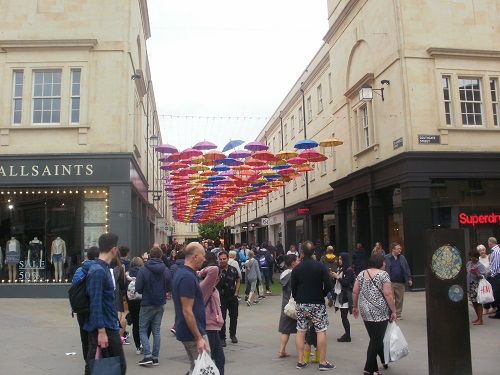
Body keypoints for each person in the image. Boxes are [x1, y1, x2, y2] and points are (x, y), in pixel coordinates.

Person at [84, 233, 126, 375]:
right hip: (105, 327)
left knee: (111, 368)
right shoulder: (98, 270)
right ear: (114, 249)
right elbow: (95, 302)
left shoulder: (103, 269)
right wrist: (101, 332)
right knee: (117, 367)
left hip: (109, 325)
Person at [291, 240, 335, 370]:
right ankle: (322, 362)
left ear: (302, 252)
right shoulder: (320, 266)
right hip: (317, 302)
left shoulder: (297, 268)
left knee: (300, 330)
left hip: (302, 302)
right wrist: (322, 293)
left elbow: (293, 288)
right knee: (321, 330)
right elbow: (328, 285)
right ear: (314, 252)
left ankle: (301, 361)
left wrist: (298, 297)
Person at [352, 254, 397, 375]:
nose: (385, 264)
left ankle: (376, 368)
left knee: (374, 338)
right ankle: (368, 368)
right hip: (379, 310)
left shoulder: (361, 273)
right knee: (376, 339)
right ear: (379, 263)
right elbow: (388, 294)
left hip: (365, 310)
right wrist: (393, 310)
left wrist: (355, 306)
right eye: (384, 262)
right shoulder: (383, 275)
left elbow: (355, 291)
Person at [172, 242, 209, 374]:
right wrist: (199, 338)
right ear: (195, 256)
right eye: (203, 256)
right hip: (192, 333)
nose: (204, 259)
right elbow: (187, 311)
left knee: (197, 369)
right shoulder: (186, 276)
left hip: (190, 331)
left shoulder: (184, 273)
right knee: (204, 369)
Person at [135, 246, 172, 366]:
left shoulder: (143, 269)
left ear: (149, 256)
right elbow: (169, 286)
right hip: (160, 302)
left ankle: (147, 355)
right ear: (161, 256)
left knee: (143, 329)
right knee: (156, 330)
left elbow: (138, 288)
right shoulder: (165, 269)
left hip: (147, 302)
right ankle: (155, 357)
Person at [72, 245, 100, 372]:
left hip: (80, 308)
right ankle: (89, 367)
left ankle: (87, 362)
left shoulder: (79, 270)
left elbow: (74, 288)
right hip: (91, 307)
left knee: (84, 338)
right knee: (93, 339)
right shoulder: (98, 269)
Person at [199, 252, 225, 375]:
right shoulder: (204, 287)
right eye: (218, 277)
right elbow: (214, 269)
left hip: (213, 326)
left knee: (219, 360)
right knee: (207, 361)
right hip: (207, 327)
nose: (218, 278)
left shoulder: (211, 287)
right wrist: (200, 272)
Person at [217, 251, 241, 347]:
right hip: (221, 297)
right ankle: (222, 337)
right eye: (221, 259)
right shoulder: (217, 270)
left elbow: (238, 280)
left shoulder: (233, 269)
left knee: (234, 316)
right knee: (222, 318)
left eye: (224, 259)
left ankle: (233, 335)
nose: (222, 261)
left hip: (232, 296)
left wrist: (236, 293)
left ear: (227, 259)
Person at [385, 243, 412, 320]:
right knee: (390, 298)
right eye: (398, 249)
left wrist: (409, 278)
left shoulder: (402, 258)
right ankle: (390, 313)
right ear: (393, 249)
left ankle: (398, 313)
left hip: (400, 282)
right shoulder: (386, 258)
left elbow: (407, 268)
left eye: (400, 248)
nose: (400, 250)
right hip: (390, 282)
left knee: (399, 299)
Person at [278, 254, 298, 358]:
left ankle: (281, 351)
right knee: (301, 329)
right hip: (295, 303)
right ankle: (303, 350)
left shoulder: (283, 275)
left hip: (286, 303)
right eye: (297, 260)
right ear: (293, 262)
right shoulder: (295, 274)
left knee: (285, 329)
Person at [331, 252, 355, 342]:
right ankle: (346, 334)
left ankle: (347, 335)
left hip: (345, 295)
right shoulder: (340, 269)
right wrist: (334, 276)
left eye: (341, 259)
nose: (339, 261)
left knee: (344, 316)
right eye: (339, 259)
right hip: (339, 293)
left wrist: (337, 277)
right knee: (343, 316)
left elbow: (346, 283)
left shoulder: (349, 270)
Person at [125, 256, 145, 355]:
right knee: (144, 323)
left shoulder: (127, 275)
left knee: (135, 324)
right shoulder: (144, 273)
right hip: (142, 301)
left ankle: (138, 346)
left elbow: (125, 289)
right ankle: (143, 342)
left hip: (132, 301)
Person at [467, 248, 487, 325]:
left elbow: (484, 276)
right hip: (471, 285)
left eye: (472, 257)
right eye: (470, 257)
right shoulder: (470, 264)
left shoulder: (480, 265)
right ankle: (478, 317)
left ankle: (480, 319)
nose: (471, 258)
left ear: (476, 257)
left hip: (476, 285)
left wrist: (477, 275)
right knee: (473, 302)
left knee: (478, 302)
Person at [478, 244, 496, 315]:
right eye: (480, 250)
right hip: (482, 278)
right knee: (485, 293)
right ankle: (486, 308)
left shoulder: (489, 257)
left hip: (490, 277)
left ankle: (494, 307)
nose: (482, 251)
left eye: (483, 250)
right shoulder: (478, 259)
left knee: (491, 292)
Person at [487, 237, 500, 320]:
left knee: (497, 293)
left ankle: (499, 312)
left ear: (490, 243)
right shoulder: (497, 251)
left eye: (488, 243)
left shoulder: (495, 252)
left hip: (496, 275)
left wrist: (491, 274)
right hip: (497, 275)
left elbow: (495, 265)